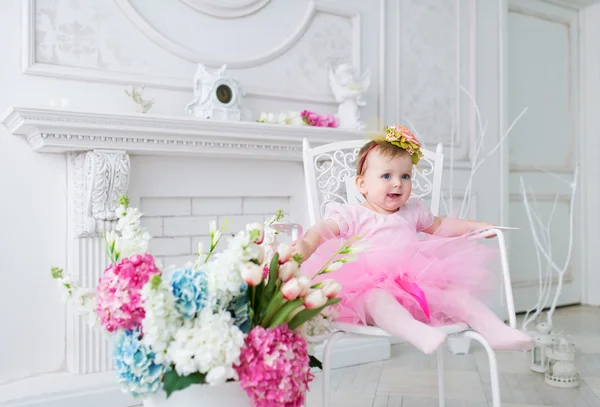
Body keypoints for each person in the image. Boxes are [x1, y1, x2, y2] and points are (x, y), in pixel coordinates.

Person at [294, 125, 534, 354]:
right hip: (367, 289)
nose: (398, 183)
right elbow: (322, 229)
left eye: (405, 176)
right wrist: (305, 245)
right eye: (386, 175)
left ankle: (496, 331)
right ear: (362, 185)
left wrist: (477, 226)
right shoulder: (353, 214)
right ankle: (415, 332)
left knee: (456, 295)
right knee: (378, 299)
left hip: (417, 286)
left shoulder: (412, 210)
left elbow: (441, 226)